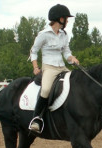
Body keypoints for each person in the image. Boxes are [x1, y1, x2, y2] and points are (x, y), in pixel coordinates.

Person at [29, 4, 79, 133]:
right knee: (45, 89)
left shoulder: (64, 34)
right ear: (60, 18)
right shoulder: (43, 34)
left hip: (62, 67)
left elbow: (66, 52)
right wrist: (35, 67)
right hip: (49, 67)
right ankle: (36, 119)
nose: (67, 21)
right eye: (66, 18)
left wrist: (72, 58)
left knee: (77, 83)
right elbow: (34, 51)